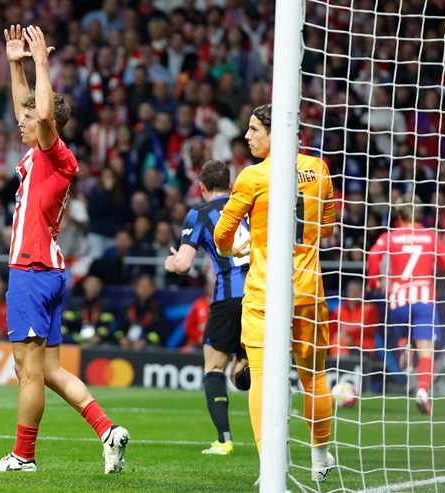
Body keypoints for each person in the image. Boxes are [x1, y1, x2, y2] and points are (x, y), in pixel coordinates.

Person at [0, 24, 128, 474]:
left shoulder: (56, 153)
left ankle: (23, 456)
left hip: (32, 268)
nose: (19, 123)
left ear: (49, 126)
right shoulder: (37, 154)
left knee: (26, 370)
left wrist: (42, 63)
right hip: (49, 270)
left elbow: (40, 116)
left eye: (28, 120)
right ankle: (107, 430)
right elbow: (28, 108)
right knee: (49, 369)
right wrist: (15, 64)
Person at [213, 104, 337, 481]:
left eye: (253, 129)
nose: (247, 137)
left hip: (265, 293)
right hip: (307, 290)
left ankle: (271, 468)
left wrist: (233, 249)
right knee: (313, 376)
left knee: (265, 379)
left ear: (273, 132)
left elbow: (222, 235)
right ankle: (320, 459)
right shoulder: (318, 169)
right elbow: (328, 228)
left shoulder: (253, 177)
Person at [164, 159, 250, 456]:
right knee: (249, 367)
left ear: (201, 188)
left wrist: (171, 262)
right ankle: (244, 366)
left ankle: (224, 441)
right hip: (262, 293)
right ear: (230, 185)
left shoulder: (200, 213)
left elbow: (185, 264)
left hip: (228, 296)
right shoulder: (248, 205)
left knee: (213, 366)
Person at [367, 199, 445, 414]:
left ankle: (404, 349)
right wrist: (443, 279)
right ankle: (423, 390)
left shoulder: (390, 236)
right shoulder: (430, 236)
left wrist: (375, 282)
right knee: (426, 352)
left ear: (399, 216)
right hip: (424, 299)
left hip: (398, 300)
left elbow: (373, 256)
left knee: (404, 331)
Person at [61, 275, 116, 346]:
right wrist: (79, 338)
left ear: (101, 287)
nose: (93, 288)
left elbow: (109, 325)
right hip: (75, 342)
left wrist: (99, 336)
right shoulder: (73, 304)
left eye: (97, 285)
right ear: (84, 285)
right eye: (91, 284)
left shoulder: (105, 305)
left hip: (98, 343)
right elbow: (64, 326)